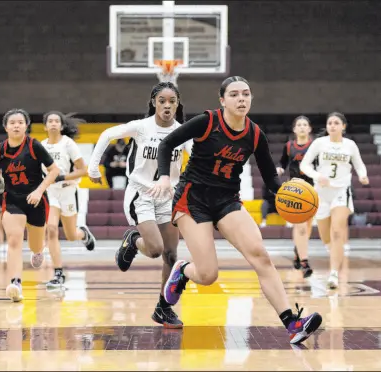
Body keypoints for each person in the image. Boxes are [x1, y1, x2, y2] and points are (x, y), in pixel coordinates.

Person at [149, 76, 322, 344]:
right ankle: (183, 271)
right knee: (207, 275)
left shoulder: (254, 134)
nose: (241, 99)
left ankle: (292, 323)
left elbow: (270, 179)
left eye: (246, 94)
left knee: (260, 255)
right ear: (222, 100)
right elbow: (166, 144)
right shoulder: (207, 122)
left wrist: (290, 192)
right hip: (192, 199)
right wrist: (162, 176)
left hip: (226, 200)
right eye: (234, 94)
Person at [88, 81, 193, 328]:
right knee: (155, 249)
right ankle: (132, 240)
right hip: (141, 194)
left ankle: (163, 308)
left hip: (168, 196)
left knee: (171, 254)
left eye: (172, 101)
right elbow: (106, 135)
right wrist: (93, 167)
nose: (167, 106)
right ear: (153, 103)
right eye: (162, 101)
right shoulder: (141, 127)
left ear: (177, 104)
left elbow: (198, 156)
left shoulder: (183, 131)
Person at [0, 108, 60, 302]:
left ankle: (38, 250)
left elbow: (54, 171)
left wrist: (39, 191)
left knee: (35, 245)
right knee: (14, 240)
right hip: (13, 200)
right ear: (6, 127)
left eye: (20, 122)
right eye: (12, 123)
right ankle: (15, 283)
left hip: (37, 201)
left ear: (26, 126)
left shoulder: (34, 146)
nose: (16, 125)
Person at [300, 112, 369, 289]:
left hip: (341, 190)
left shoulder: (350, 145)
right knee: (326, 236)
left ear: (343, 126)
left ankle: (333, 274)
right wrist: (317, 175)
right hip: (321, 193)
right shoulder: (319, 143)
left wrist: (363, 175)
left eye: (336, 123)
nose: (332, 125)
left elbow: (359, 164)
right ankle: (334, 253)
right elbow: (304, 165)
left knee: (337, 231)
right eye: (329, 123)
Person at [41, 111, 96, 289]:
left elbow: (83, 170)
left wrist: (62, 177)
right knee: (50, 228)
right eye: (50, 121)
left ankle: (83, 234)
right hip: (51, 192)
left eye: (57, 121)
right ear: (45, 126)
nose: (54, 123)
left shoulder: (68, 144)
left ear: (62, 126)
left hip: (68, 191)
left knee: (71, 235)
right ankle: (58, 274)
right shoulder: (41, 146)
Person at [277, 115, 314, 278]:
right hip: (295, 191)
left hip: (311, 191)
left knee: (306, 227)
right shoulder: (288, 146)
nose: (301, 127)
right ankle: (305, 262)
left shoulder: (314, 146)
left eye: (304, 125)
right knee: (299, 226)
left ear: (309, 128)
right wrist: (279, 169)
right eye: (299, 125)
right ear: (294, 129)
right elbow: (282, 163)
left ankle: (298, 251)